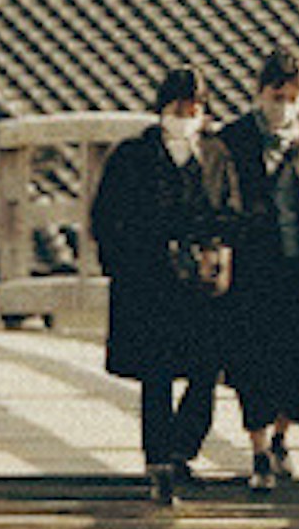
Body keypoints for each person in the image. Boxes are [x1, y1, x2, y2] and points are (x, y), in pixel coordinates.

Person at [90, 61, 240, 497]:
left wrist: (218, 246)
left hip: (201, 282)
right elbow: (106, 216)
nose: (186, 115)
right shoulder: (133, 155)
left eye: (194, 108)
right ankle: (158, 459)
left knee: (205, 370)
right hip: (149, 280)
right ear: (161, 110)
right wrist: (122, 261)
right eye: (178, 107)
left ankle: (183, 448)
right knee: (156, 374)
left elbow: (232, 209)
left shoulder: (216, 155)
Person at [216, 43, 299, 489]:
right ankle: (257, 452)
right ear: (259, 94)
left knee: (296, 365)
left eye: (293, 97)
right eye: (277, 96)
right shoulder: (232, 142)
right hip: (250, 273)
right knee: (252, 364)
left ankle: (280, 439)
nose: (284, 106)